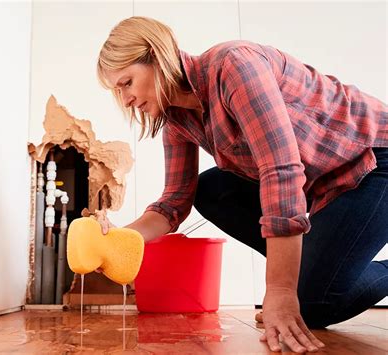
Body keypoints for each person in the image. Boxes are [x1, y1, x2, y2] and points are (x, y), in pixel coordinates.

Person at [95, 16, 388, 353]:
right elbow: (174, 203)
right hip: (320, 184)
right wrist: (117, 239)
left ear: (156, 56)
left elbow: (281, 170)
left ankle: (301, 285)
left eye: (127, 82)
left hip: (372, 162)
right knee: (211, 190)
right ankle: (302, 277)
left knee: (314, 306)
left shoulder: (233, 66)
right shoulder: (177, 121)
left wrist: (279, 292)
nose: (127, 99)